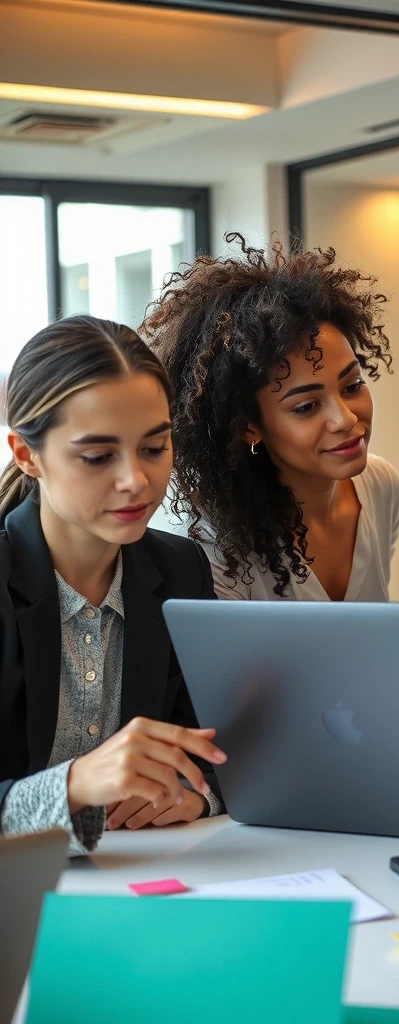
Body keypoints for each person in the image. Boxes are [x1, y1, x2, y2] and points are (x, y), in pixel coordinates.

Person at [0, 316, 226, 855]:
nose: (136, 480)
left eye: (154, 448)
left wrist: (198, 795)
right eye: (98, 456)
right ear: (27, 454)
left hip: (142, 880)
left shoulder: (180, 571)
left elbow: (220, 742)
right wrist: (76, 784)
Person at [142, 234, 399, 603]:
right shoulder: (209, 540)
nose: (345, 419)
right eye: (306, 407)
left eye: (352, 385)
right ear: (248, 426)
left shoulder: (381, 487)